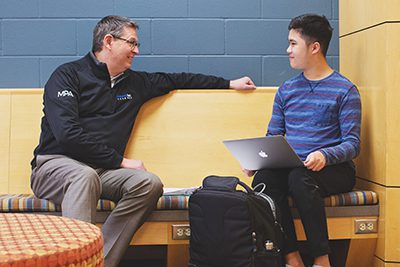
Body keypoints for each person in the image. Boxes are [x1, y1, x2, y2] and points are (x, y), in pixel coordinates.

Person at [30, 15, 256, 267]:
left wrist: (229, 84)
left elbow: (179, 79)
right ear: (108, 41)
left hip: (102, 172)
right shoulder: (67, 75)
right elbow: (67, 135)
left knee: (149, 183)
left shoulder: (136, 83)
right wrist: (121, 161)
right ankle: (75, 260)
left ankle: (97, 261)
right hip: (55, 166)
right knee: (84, 176)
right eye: (132, 43)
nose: (136, 51)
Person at [242, 14, 361, 267]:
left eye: (293, 43)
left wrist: (324, 155)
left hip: (333, 169)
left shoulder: (345, 90)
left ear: (314, 47)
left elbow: (353, 143)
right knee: (264, 181)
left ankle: (321, 259)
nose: (288, 50)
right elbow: (273, 136)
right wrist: (258, 160)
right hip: (295, 167)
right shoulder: (287, 90)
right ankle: (291, 257)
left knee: (299, 177)